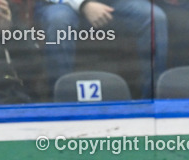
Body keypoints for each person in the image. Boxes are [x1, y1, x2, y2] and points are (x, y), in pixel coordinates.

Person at [33, 0, 167, 98]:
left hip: (111, 3)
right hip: (61, 4)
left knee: (155, 18)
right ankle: (60, 100)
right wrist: (84, 4)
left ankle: (151, 100)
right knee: (59, 21)